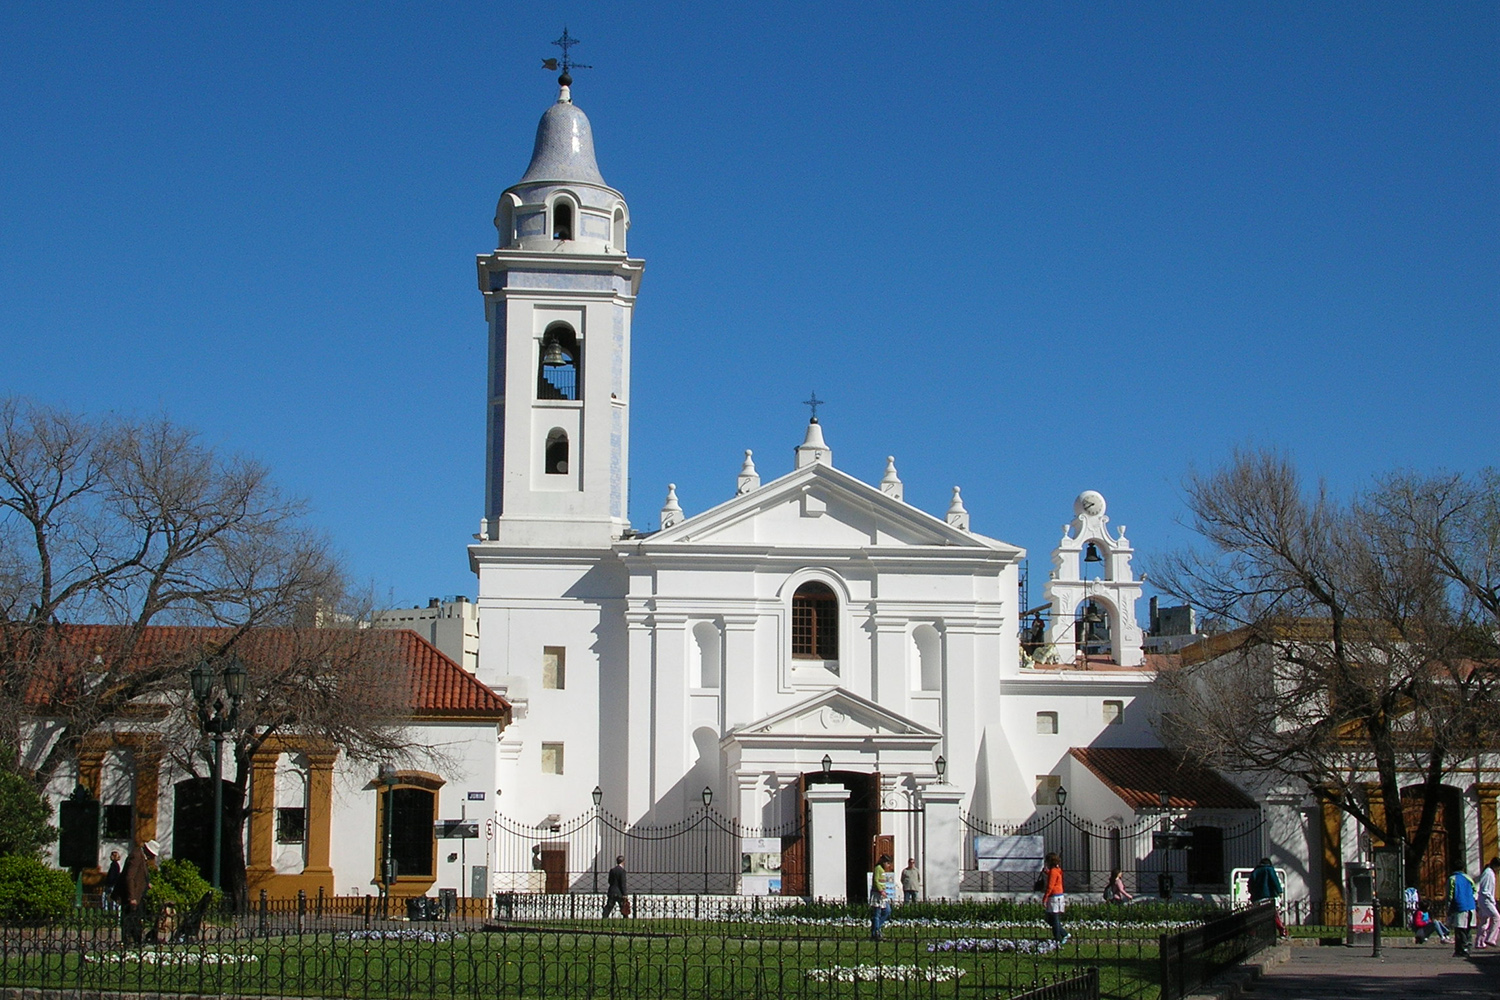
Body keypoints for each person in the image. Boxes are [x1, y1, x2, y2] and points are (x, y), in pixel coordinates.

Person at [111, 839, 159, 947]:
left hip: (138, 895)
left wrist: (147, 884)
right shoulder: (137, 856)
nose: (152, 857)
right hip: (131, 896)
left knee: (136, 918)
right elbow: (129, 877)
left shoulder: (141, 856)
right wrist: (132, 897)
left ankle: (135, 940)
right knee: (131, 919)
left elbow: (139, 875)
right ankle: (131, 941)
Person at [1248, 857, 1286, 937]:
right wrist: (1279, 891)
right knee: (1274, 914)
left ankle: (1253, 933)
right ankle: (1282, 930)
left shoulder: (1255, 871)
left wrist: (1252, 894)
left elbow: (1250, 884)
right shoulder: (1269, 869)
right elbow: (1274, 881)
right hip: (1269, 896)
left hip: (1257, 897)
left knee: (1257, 915)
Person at [1448, 865, 1478, 957]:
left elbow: (1450, 894)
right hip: (1470, 906)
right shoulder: (1469, 878)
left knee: (1460, 929)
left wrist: (1449, 908)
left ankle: (1461, 949)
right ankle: (1468, 947)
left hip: (1459, 906)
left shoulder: (1452, 879)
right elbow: (1474, 891)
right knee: (1468, 928)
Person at [1040, 852, 1069, 944]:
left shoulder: (1053, 871)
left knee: (1053, 918)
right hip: (1059, 895)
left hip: (1054, 897)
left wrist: (1045, 898)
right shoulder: (1057, 870)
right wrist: (1047, 872)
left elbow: (1050, 886)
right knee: (1053, 918)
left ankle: (1060, 936)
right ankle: (1062, 934)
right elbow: (1054, 877)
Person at [869, 854, 895, 940]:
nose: (889, 865)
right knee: (877, 913)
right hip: (877, 894)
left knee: (887, 911)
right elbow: (876, 881)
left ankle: (876, 928)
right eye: (888, 863)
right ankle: (876, 932)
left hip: (883, 894)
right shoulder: (878, 868)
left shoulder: (882, 870)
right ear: (884, 862)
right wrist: (880, 890)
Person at [1476, 857, 1499, 949]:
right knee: (1497, 917)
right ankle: (1491, 938)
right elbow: (1485, 890)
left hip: (1485, 899)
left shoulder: (1489, 873)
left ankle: (1479, 942)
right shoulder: (1488, 873)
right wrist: (1492, 900)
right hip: (1486, 900)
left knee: (1484, 921)